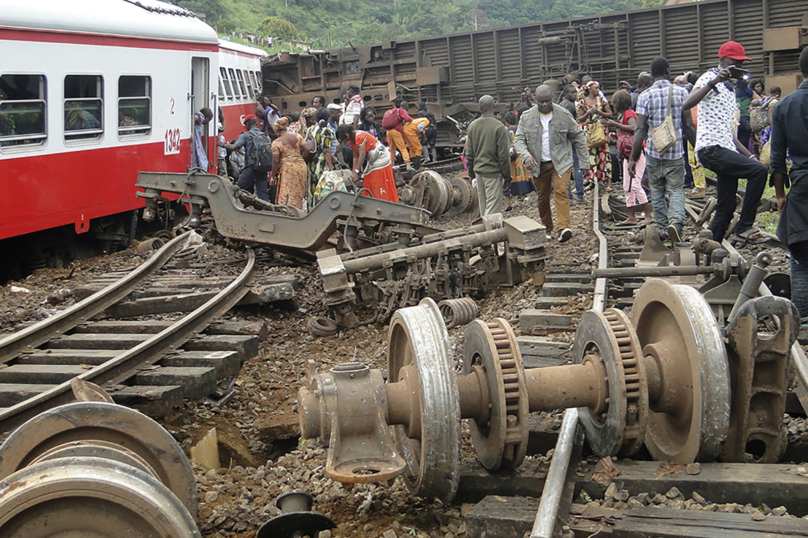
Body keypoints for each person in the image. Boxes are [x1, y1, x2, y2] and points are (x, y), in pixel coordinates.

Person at [683, 41, 769, 244]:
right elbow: (687, 104)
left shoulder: (731, 91)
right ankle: (745, 227)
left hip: (725, 147)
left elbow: (730, 134)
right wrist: (714, 81)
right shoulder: (709, 78)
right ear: (722, 60)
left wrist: (750, 156)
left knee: (727, 206)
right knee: (759, 172)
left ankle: (710, 249)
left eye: (741, 63)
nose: (737, 67)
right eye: (734, 62)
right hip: (711, 148)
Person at [630, 57, 694, 242]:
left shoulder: (644, 96)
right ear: (668, 71)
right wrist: (697, 149)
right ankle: (676, 223)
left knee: (657, 191)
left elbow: (640, 128)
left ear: (651, 74)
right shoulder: (682, 92)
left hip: (654, 151)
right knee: (675, 189)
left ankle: (663, 228)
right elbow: (688, 125)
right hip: (675, 151)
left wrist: (634, 158)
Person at [515, 86, 589, 243]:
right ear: (536, 99)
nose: (544, 104)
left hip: (560, 162)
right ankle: (547, 227)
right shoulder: (527, 117)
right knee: (542, 198)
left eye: (547, 101)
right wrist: (526, 156)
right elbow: (519, 140)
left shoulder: (563, 114)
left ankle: (563, 228)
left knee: (561, 191)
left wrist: (584, 162)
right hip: (538, 165)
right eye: (541, 102)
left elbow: (578, 137)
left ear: (552, 99)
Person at [773, 47, 808, 319]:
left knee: (800, 252)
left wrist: (781, 194)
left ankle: (803, 319)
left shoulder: (784, 106)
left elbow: (777, 158)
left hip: (802, 188)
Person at [603, 90, 652, 226]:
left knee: (635, 185)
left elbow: (634, 128)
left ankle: (648, 215)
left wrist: (615, 125)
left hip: (636, 154)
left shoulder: (629, 114)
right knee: (627, 186)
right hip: (627, 155)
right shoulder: (623, 115)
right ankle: (631, 217)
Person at [465, 95, 512, 216]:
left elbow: (469, 154)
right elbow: (504, 156)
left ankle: (484, 230)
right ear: (494, 106)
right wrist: (507, 178)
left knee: (484, 206)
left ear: (480, 108)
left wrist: (471, 173)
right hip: (493, 174)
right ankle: (488, 233)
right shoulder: (499, 127)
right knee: (493, 212)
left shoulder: (473, 126)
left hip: (479, 173)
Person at [335, 124, 399, 202]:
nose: (343, 140)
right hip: (372, 159)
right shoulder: (351, 141)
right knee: (368, 178)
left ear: (347, 134)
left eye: (342, 137)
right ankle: (373, 200)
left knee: (376, 180)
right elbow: (355, 157)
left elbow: (362, 155)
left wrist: (356, 171)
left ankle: (382, 200)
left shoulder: (359, 137)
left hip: (381, 157)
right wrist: (353, 171)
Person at [577, 81, 613, 190]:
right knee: (592, 157)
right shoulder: (582, 103)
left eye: (598, 88)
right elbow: (579, 119)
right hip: (590, 133)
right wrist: (588, 113)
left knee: (604, 155)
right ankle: (593, 181)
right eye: (596, 88)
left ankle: (609, 183)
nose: (598, 90)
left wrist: (599, 112)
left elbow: (610, 114)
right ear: (590, 89)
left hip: (601, 132)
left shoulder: (602, 101)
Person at [224, 115, 270, 201]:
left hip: (251, 168)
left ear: (248, 125)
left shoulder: (246, 135)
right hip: (263, 167)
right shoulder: (265, 136)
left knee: (236, 189)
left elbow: (234, 147)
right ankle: (269, 211)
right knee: (263, 194)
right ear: (256, 123)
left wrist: (222, 145)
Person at [270, 117, 310, 209]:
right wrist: (299, 159)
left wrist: (273, 176)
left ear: (277, 129)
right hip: (301, 166)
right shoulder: (297, 136)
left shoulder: (276, 143)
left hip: (288, 168)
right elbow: (307, 149)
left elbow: (275, 161)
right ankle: (299, 209)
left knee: (287, 191)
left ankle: (288, 212)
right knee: (298, 190)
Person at [559, 84, 585, 202]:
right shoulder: (569, 106)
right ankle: (579, 195)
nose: (575, 94)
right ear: (565, 94)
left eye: (575, 92)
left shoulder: (561, 105)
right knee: (577, 166)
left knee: (565, 168)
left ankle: (569, 197)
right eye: (572, 93)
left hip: (563, 141)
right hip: (571, 141)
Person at [305, 108, 336, 204]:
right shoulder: (326, 131)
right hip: (321, 164)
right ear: (328, 119)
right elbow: (326, 151)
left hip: (311, 163)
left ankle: (311, 209)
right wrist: (331, 169)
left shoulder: (309, 129)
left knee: (312, 188)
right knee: (322, 187)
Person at [503, 112, 534, 208]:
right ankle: (526, 194)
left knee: (509, 179)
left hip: (512, 159)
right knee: (525, 175)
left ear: (506, 122)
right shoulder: (520, 130)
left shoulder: (506, 132)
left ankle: (507, 204)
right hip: (523, 157)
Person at [384, 101, 414, 169]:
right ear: (406, 107)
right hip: (396, 131)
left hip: (388, 131)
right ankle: (408, 164)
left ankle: (391, 164)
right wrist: (414, 121)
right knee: (402, 148)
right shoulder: (402, 111)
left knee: (392, 149)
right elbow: (408, 119)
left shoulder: (393, 111)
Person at [402, 101, 428, 169]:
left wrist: (422, 136)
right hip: (410, 131)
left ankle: (414, 165)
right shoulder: (426, 120)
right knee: (418, 148)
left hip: (405, 129)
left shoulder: (418, 120)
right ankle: (418, 166)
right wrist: (424, 137)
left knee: (412, 148)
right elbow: (420, 128)